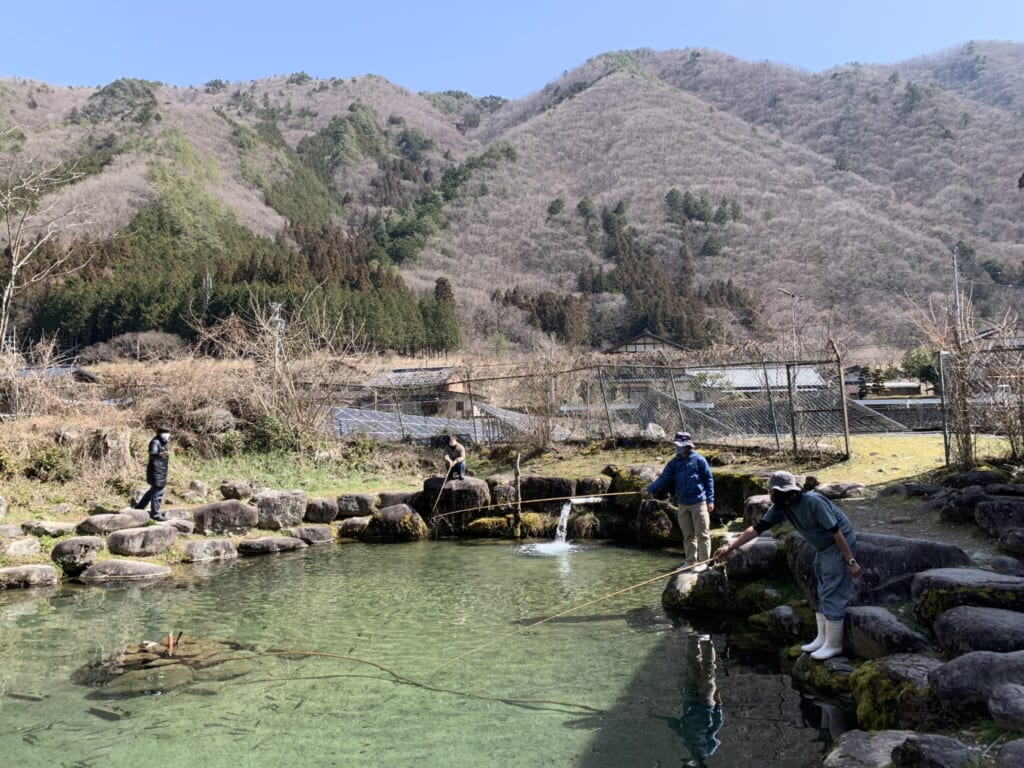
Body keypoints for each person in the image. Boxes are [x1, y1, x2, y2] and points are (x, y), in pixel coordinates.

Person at [713, 470, 862, 660]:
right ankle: (822, 638)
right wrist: (729, 546)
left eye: (775, 492)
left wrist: (850, 561)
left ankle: (833, 645)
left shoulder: (813, 502)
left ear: (789, 492)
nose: (773, 496)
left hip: (838, 544)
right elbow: (757, 529)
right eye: (772, 492)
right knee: (822, 588)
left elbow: (836, 531)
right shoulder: (781, 507)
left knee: (833, 590)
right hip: (822, 548)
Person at [644, 431, 715, 565]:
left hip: (699, 503)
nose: (677, 448)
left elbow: (708, 479)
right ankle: (690, 561)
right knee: (688, 535)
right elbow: (663, 479)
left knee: (703, 534)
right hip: (682, 504)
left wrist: (710, 500)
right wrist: (649, 489)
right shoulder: (673, 463)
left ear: (687, 446)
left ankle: (704, 563)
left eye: (679, 445)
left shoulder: (699, 460)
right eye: (676, 445)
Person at [135, 427, 171, 521]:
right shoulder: (155, 442)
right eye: (165, 432)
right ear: (159, 433)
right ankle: (155, 514)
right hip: (156, 471)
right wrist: (160, 454)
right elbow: (152, 454)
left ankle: (139, 508)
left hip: (160, 471)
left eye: (168, 432)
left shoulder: (163, 442)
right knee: (158, 492)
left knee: (152, 491)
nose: (167, 434)